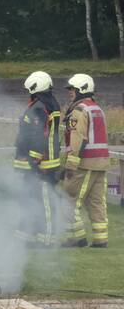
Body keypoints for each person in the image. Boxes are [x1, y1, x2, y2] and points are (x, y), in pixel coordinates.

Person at [12, 71, 61, 246]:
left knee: (45, 204)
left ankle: (46, 240)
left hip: (42, 166)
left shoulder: (40, 107)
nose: (28, 93)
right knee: (31, 200)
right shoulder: (43, 105)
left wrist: (34, 161)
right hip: (37, 164)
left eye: (30, 90)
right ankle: (30, 237)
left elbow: (39, 136)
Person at [60, 74, 109, 248]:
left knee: (68, 200)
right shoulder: (96, 108)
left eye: (72, 89)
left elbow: (77, 138)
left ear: (81, 89)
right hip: (100, 163)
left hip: (84, 163)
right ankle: (100, 239)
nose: (70, 93)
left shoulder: (79, 110)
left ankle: (76, 239)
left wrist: (70, 165)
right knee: (96, 203)